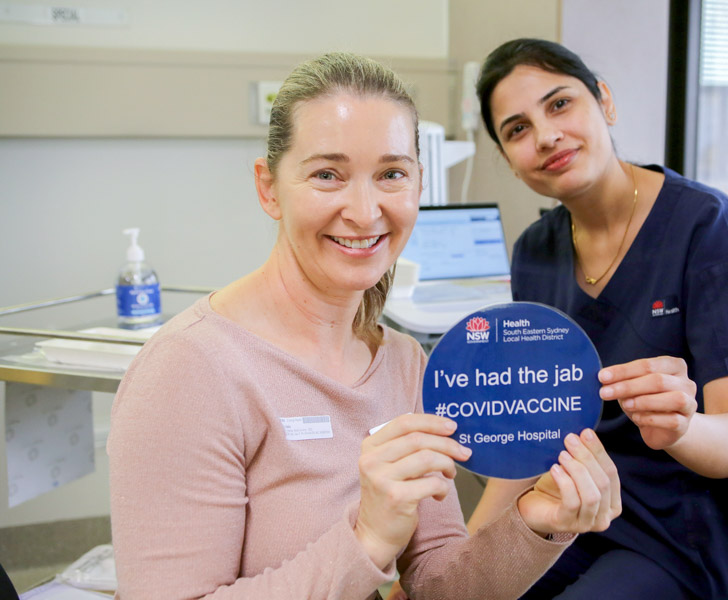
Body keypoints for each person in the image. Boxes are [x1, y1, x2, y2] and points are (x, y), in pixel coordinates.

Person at [107, 52, 622, 600]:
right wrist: (369, 539)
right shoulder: (190, 371)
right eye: (328, 174)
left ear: (419, 184)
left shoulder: (403, 363)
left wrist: (538, 518)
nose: (364, 209)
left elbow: (437, 584)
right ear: (268, 187)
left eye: (391, 174)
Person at [465, 39, 728, 600]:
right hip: (576, 514)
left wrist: (683, 428)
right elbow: (532, 436)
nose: (545, 136)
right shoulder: (534, 253)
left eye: (560, 104)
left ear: (605, 103)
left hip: (682, 537)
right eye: (517, 130)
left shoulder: (707, 227)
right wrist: (461, 563)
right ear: (507, 159)